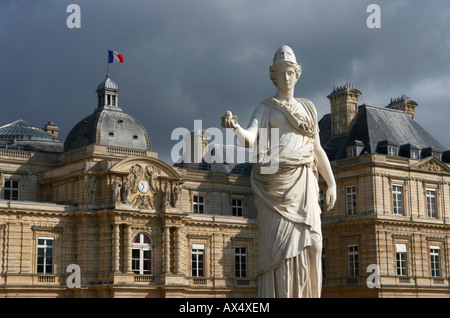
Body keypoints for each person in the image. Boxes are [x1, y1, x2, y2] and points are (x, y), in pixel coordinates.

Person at [221, 45, 336, 298]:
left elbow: (317, 149)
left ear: (298, 74)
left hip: (304, 181)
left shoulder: (308, 109)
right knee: (279, 253)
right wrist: (236, 128)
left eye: (289, 72)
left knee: (314, 245)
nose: (285, 77)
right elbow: (251, 138)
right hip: (274, 187)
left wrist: (332, 182)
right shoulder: (265, 108)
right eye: (280, 73)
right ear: (273, 76)